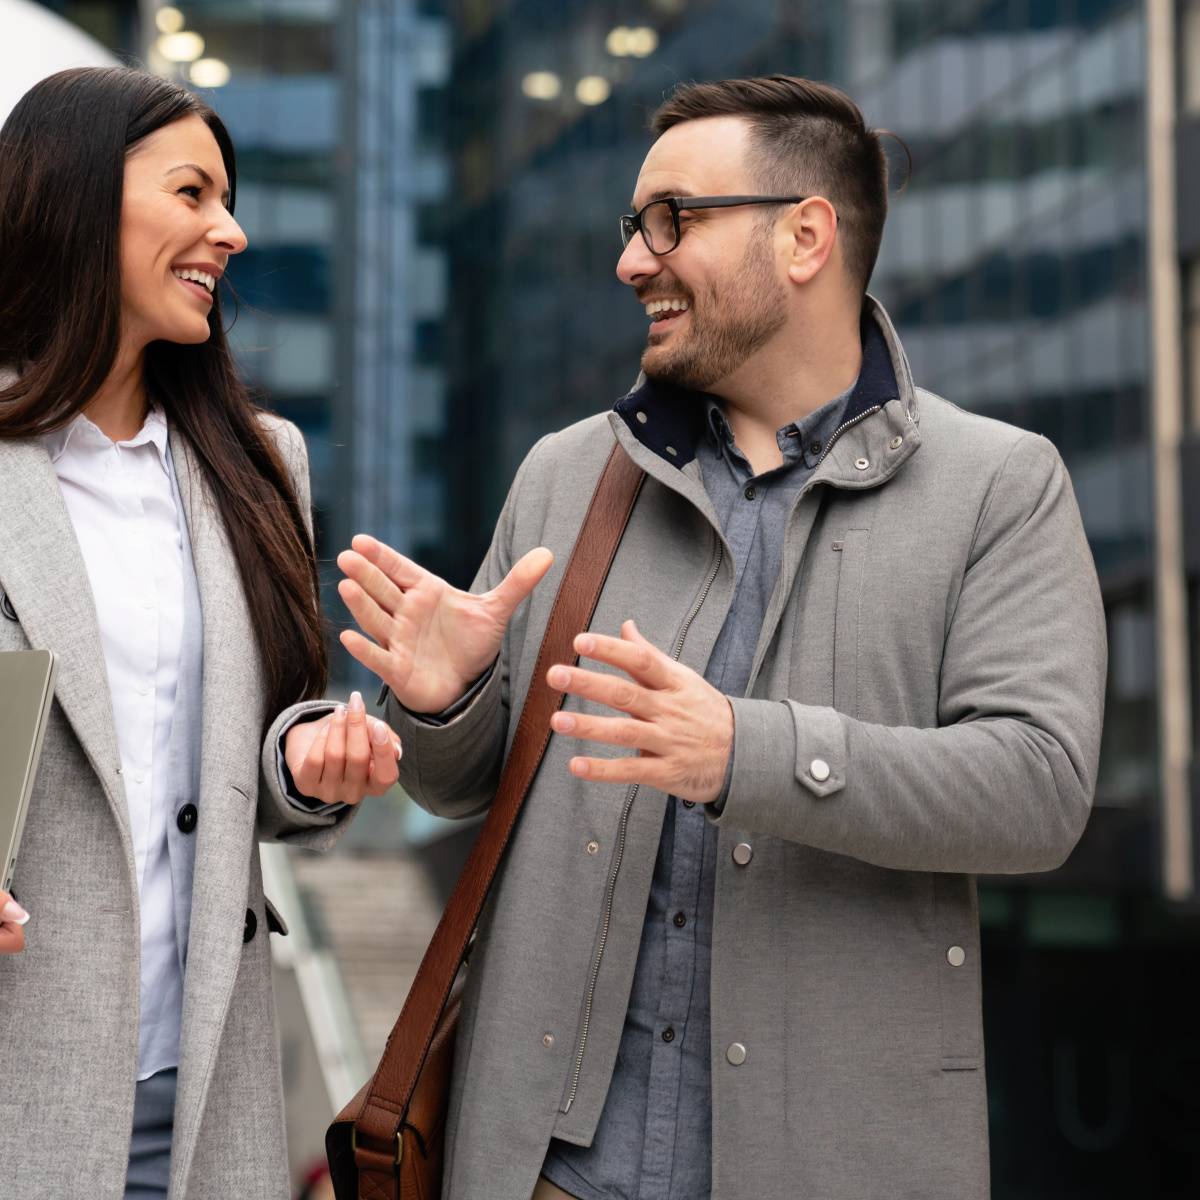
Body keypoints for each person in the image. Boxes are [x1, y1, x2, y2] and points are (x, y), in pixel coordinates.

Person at [338, 75, 1107, 1200]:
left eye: (674, 222)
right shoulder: (567, 475)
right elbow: (465, 794)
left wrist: (745, 754)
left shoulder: (1001, 486)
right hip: (548, 1175)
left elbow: (1039, 790)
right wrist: (449, 703)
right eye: (632, 227)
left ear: (804, 237)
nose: (632, 262)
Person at [0, 68, 402, 1200]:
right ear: (77, 201)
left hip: (201, 1084)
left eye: (227, 200)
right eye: (191, 193)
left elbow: (246, 757)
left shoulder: (261, 461)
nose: (227, 232)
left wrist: (312, 763)